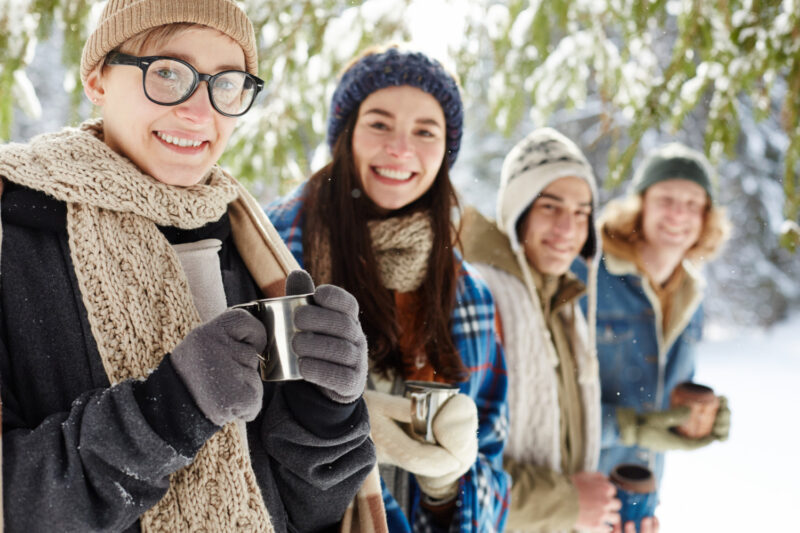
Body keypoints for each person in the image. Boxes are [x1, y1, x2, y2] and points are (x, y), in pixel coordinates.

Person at [0, 1, 379, 531]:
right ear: (98, 79)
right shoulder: (14, 237)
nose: (200, 112)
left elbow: (305, 514)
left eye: (226, 84)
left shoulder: (250, 244)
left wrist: (326, 415)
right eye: (168, 73)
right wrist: (165, 412)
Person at [266, 45, 510, 532]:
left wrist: (447, 489)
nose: (401, 149)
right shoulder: (271, 254)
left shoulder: (470, 295)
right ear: (347, 135)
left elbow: (492, 465)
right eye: (379, 124)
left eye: (425, 131)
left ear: (446, 152)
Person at [461, 128, 656, 533]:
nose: (568, 228)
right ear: (518, 211)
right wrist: (566, 503)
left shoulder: (565, 307)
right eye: (550, 207)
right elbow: (452, 470)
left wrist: (599, 514)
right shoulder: (478, 297)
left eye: (582, 212)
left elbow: (564, 452)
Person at [575, 142, 731, 492]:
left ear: (707, 217)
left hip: (640, 493)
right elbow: (550, 403)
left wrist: (699, 419)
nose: (678, 214)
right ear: (640, 206)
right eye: (666, 200)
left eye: (692, 204)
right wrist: (632, 426)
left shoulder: (691, 293)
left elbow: (660, 402)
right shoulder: (587, 275)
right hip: (577, 491)